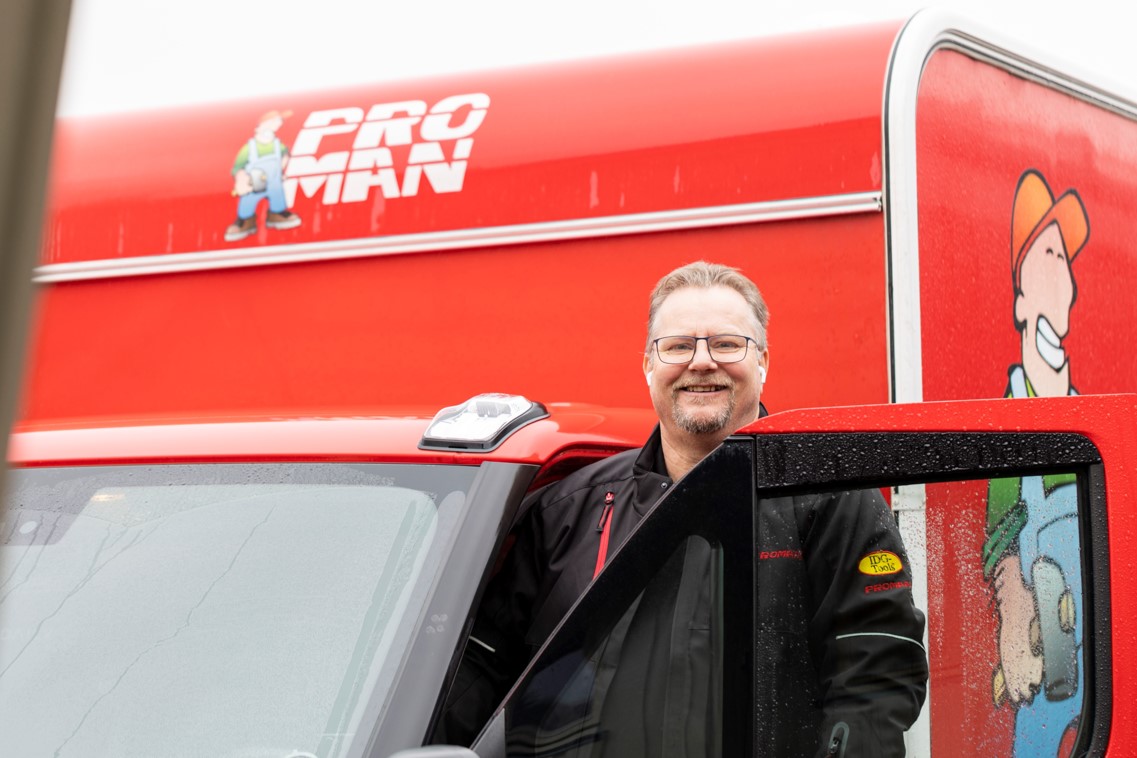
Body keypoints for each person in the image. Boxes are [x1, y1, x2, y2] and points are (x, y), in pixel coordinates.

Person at [436, 261, 928, 756]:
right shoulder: (567, 512)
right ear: (649, 365)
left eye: (727, 344)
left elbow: (876, 676)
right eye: (677, 346)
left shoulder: (828, 501)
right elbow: (480, 671)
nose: (702, 362)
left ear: (763, 362)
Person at [985, 169, 1088, 755]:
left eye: (1065, 261)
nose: (1062, 277)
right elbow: (999, 536)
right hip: (1042, 666)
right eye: (1047, 256)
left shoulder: (1089, 420)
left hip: (1101, 664)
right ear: (1020, 302)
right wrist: (1012, 607)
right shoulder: (1011, 422)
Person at [224, 110, 303, 242]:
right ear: (262, 125)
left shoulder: (277, 144)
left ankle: (277, 213)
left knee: (277, 196)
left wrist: (281, 171)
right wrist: (241, 181)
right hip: (254, 182)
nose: (278, 124)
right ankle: (244, 220)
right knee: (248, 200)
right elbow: (238, 167)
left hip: (274, 181)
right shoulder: (249, 147)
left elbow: (285, 155)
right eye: (275, 121)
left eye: (279, 121)